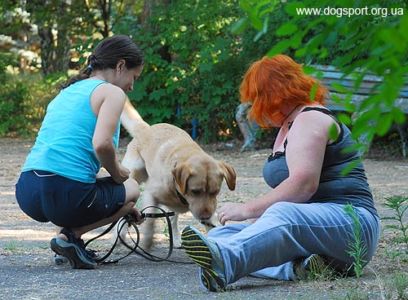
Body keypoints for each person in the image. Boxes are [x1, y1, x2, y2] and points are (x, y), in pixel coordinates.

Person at [181, 55, 380, 291]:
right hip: (319, 235)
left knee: (280, 214)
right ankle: (298, 268)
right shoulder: (288, 124)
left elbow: (303, 185)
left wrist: (248, 209)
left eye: (256, 99)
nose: (253, 108)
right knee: (221, 236)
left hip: (352, 226)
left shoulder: (310, 118)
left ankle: (224, 263)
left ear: (273, 94)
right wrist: (259, 221)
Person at [15, 35, 144, 269]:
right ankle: (70, 237)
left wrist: (117, 201)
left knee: (113, 193)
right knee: (132, 188)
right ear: (120, 66)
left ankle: (68, 241)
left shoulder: (66, 92)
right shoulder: (112, 93)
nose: (132, 86)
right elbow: (102, 145)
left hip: (28, 191)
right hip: (65, 194)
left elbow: (68, 161)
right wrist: (118, 175)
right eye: (133, 77)